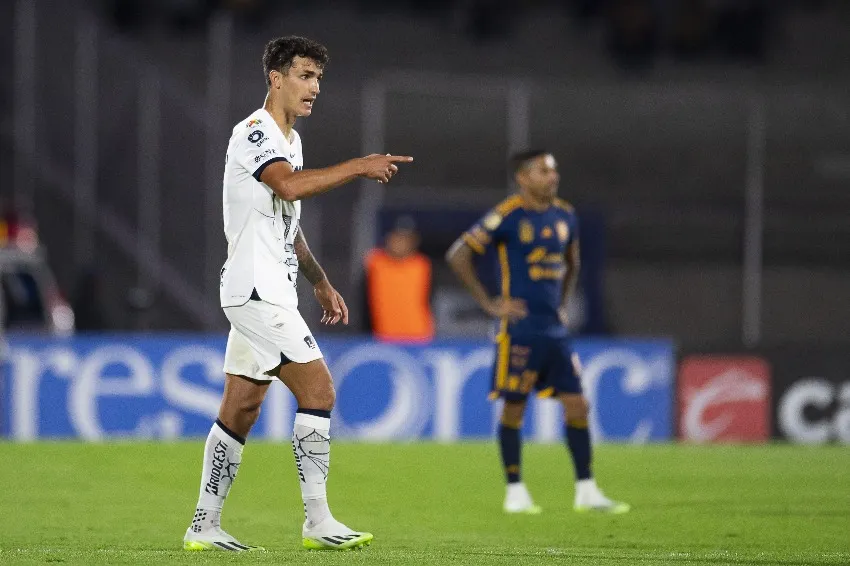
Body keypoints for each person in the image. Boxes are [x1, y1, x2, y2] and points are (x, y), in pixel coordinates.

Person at [182, 36, 412, 552]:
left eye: (319, 79)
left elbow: (288, 222)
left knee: (242, 406)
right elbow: (288, 186)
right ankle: (317, 520)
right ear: (276, 78)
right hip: (255, 289)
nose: (315, 88)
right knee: (319, 391)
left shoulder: (291, 141)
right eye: (305, 76)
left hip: (272, 288)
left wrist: (320, 280)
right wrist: (359, 165)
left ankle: (204, 524)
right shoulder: (254, 132)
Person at [445, 150, 629, 515]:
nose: (553, 176)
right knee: (515, 407)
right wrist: (490, 303)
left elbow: (573, 262)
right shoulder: (508, 214)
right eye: (544, 170)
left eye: (554, 170)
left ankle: (587, 489)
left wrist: (562, 303)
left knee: (578, 404)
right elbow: (458, 255)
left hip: (554, 329)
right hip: (520, 329)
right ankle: (515, 491)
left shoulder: (566, 214)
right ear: (523, 177)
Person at [363, 216, 435, 343]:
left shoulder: (422, 265)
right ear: (388, 238)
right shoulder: (376, 263)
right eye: (397, 237)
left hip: (419, 337)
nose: (401, 243)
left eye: (406, 239)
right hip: (384, 338)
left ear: (414, 242)